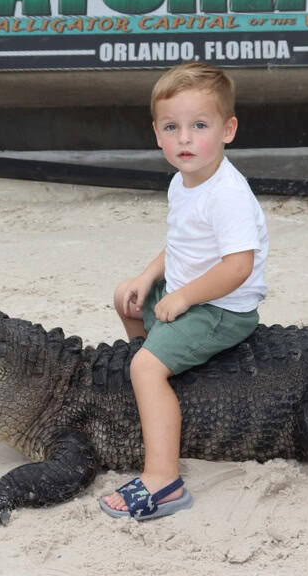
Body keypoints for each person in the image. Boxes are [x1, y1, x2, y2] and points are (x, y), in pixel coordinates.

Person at [99, 62, 269, 521]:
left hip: (221, 308)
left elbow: (238, 267)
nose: (185, 139)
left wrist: (185, 297)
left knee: (145, 366)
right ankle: (157, 383)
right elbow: (181, 242)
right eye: (172, 127)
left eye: (200, 126)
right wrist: (147, 277)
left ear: (228, 129)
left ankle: (164, 481)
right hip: (187, 291)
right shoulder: (183, 180)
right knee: (124, 296)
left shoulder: (227, 194)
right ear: (157, 134)